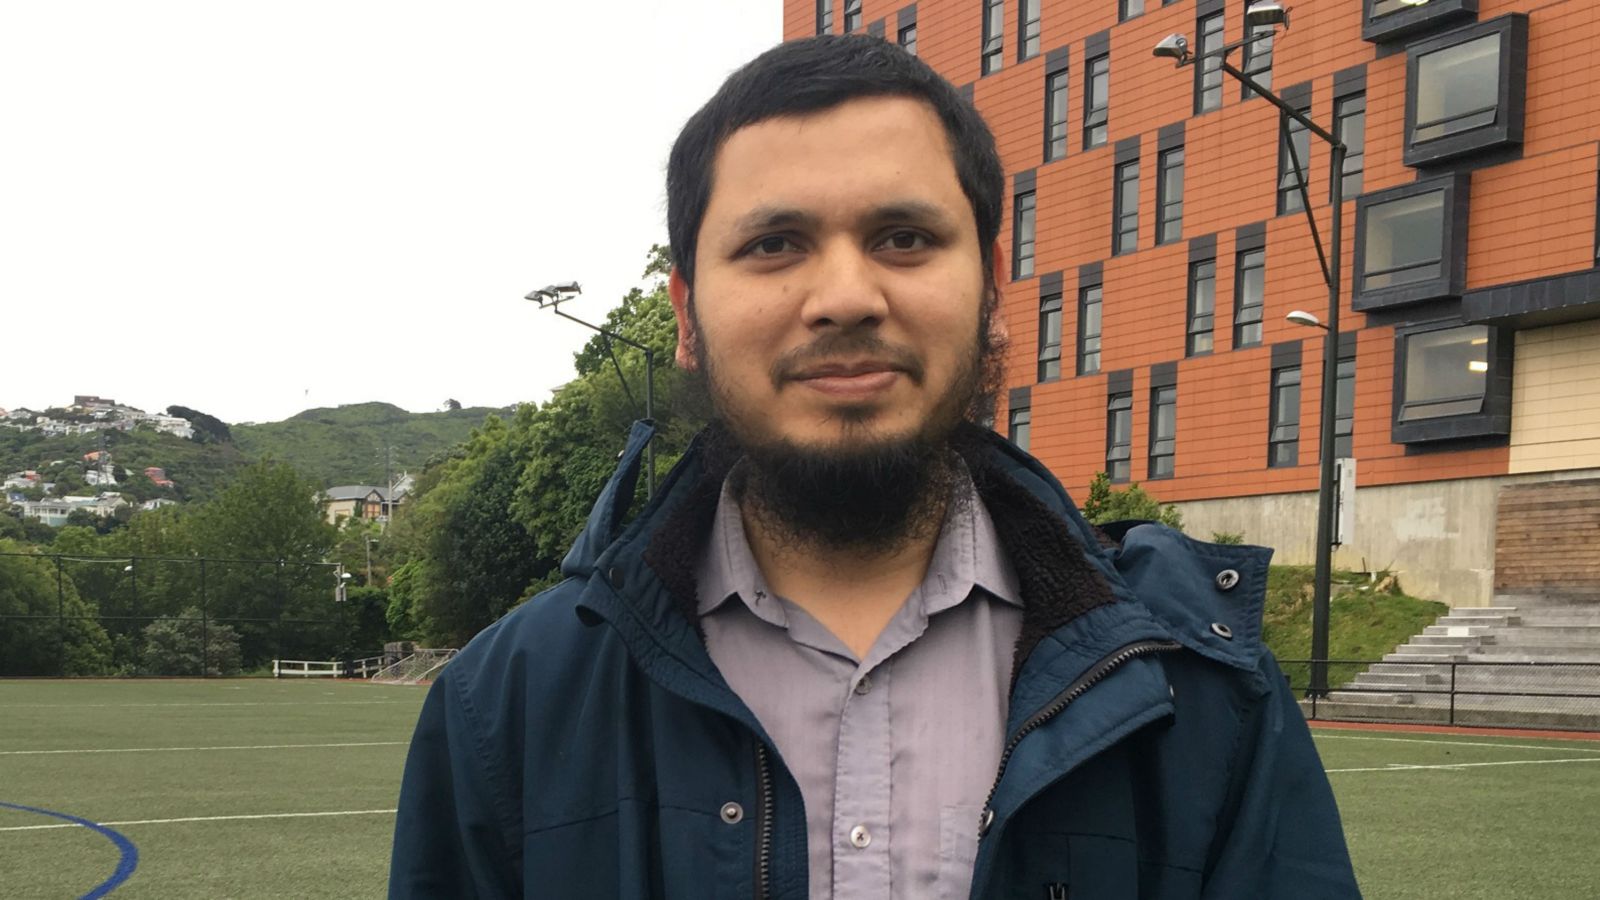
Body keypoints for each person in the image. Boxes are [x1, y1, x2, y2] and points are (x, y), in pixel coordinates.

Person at [389, 35, 1361, 900]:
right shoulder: (505, 705)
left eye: (903, 238)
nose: (845, 296)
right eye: (775, 244)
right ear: (687, 315)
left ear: (991, 293)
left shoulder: (1199, 696)